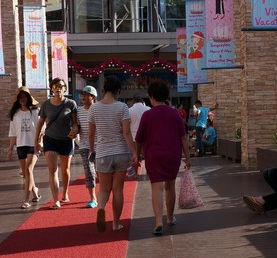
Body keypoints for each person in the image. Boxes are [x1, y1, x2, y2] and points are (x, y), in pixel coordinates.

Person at [135, 81, 191, 235]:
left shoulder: (147, 115)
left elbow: (139, 139)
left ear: (152, 97)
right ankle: (170, 218)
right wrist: (188, 158)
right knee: (170, 186)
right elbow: (183, 138)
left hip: (153, 155)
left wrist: (137, 156)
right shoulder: (175, 113)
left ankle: (158, 221)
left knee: (156, 187)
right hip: (172, 154)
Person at [88, 76, 137, 232]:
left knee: (104, 188)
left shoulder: (94, 108)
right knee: (118, 189)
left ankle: (101, 208)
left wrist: (92, 149)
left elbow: (91, 134)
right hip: (121, 152)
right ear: (118, 91)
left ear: (103, 90)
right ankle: (116, 224)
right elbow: (127, 133)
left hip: (103, 153)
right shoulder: (122, 107)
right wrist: (134, 152)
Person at [34, 78, 79, 208]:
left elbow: (75, 122)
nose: (58, 88)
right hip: (50, 139)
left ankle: (65, 192)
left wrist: (75, 130)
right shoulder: (46, 105)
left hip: (66, 139)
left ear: (65, 88)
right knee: (52, 170)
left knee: (65, 170)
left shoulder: (71, 103)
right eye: (55, 86)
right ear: (52, 89)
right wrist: (36, 141)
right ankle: (56, 200)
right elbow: (40, 123)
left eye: (60, 86)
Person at [6, 87, 41, 209]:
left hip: (33, 145)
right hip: (21, 145)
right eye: (20, 97)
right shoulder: (15, 114)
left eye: (24, 96)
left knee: (28, 170)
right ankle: (35, 192)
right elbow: (13, 133)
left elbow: (42, 129)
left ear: (29, 98)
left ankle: (26, 200)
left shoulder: (36, 111)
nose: (22, 99)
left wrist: (39, 142)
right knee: (26, 174)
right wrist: (10, 149)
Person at [76, 86, 98, 208]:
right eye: (82, 94)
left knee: (101, 171)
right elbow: (77, 126)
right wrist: (74, 131)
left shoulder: (98, 109)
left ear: (93, 97)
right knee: (89, 171)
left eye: (86, 94)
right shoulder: (78, 111)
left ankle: (104, 193)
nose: (83, 97)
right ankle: (93, 198)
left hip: (99, 145)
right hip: (85, 145)